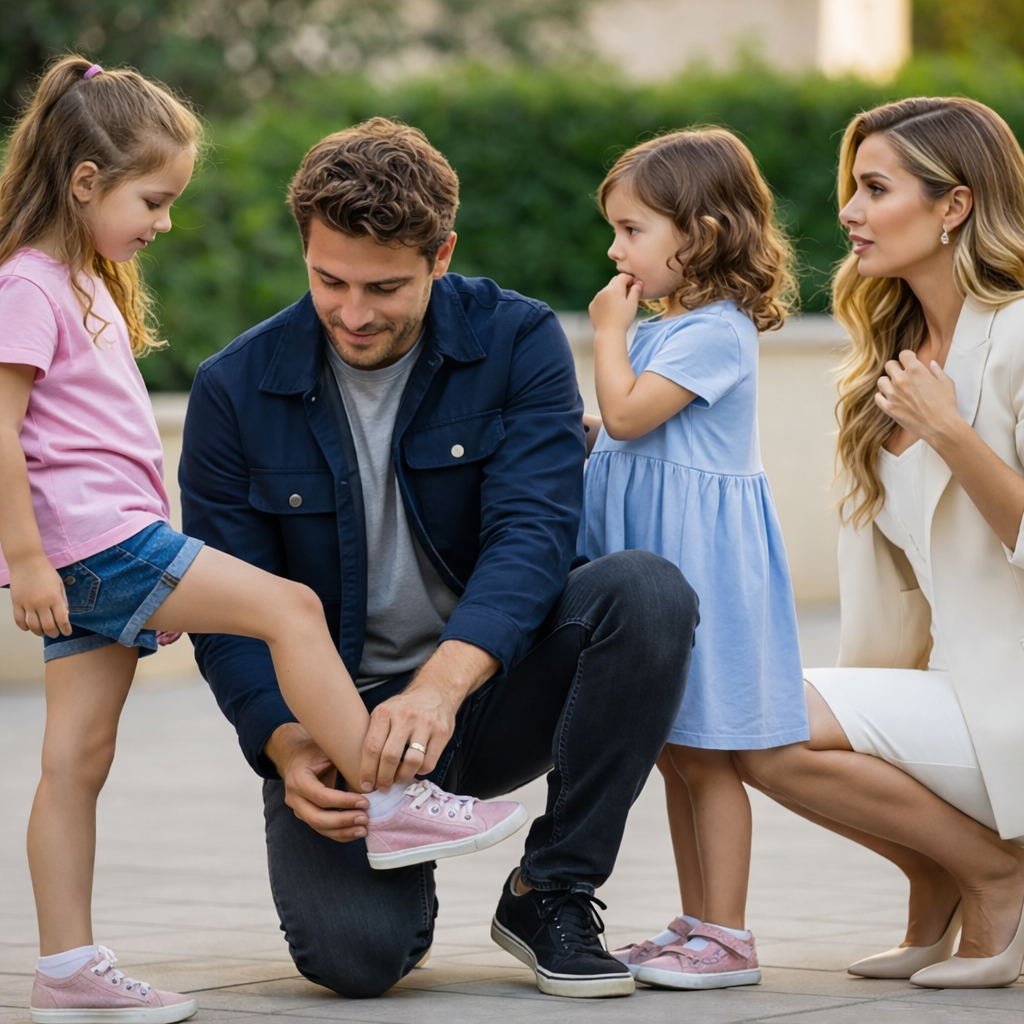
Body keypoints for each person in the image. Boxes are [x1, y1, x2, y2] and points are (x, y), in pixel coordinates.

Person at [0, 61, 525, 1024]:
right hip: (100, 544)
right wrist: (26, 561)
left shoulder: (79, 283)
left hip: (97, 545)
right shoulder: (29, 285)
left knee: (75, 758)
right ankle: (396, 799)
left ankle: (64, 966)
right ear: (84, 182)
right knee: (291, 607)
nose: (163, 222)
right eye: (153, 200)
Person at [178, 116, 698, 1000]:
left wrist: (442, 686)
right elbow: (227, 608)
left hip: (486, 684)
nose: (352, 312)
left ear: (442, 253)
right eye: (328, 280)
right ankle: (389, 875)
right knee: (353, 963)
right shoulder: (233, 387)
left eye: (384, 287)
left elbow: (533, 533)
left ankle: (552, 890)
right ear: (304, 246)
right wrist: (283, 740)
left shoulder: (517, 340)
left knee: (644, 593)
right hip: (343, 718)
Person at [739, 96, 1024, 989]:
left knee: (757, 721)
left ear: (955, 205)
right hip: (951, 695)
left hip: (1011, 697)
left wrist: (952, 434)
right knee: (713, 706)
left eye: (874, 188)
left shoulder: (1017, 337)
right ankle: (934, 874)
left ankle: (995, 877)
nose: (849, 213)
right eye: (850, 189)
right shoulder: (882, 365)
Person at [578, 128, 808, 990]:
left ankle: (730, 937)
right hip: (662, 559)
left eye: (631, 229)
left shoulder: (716, 330)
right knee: (676, 749)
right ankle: (696, 922)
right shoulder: (673, 330)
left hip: (701, 568)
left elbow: (633, 416)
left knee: (707, 755)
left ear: (701, 231)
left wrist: (606, 331)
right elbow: (626, 429)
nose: (614, 248)